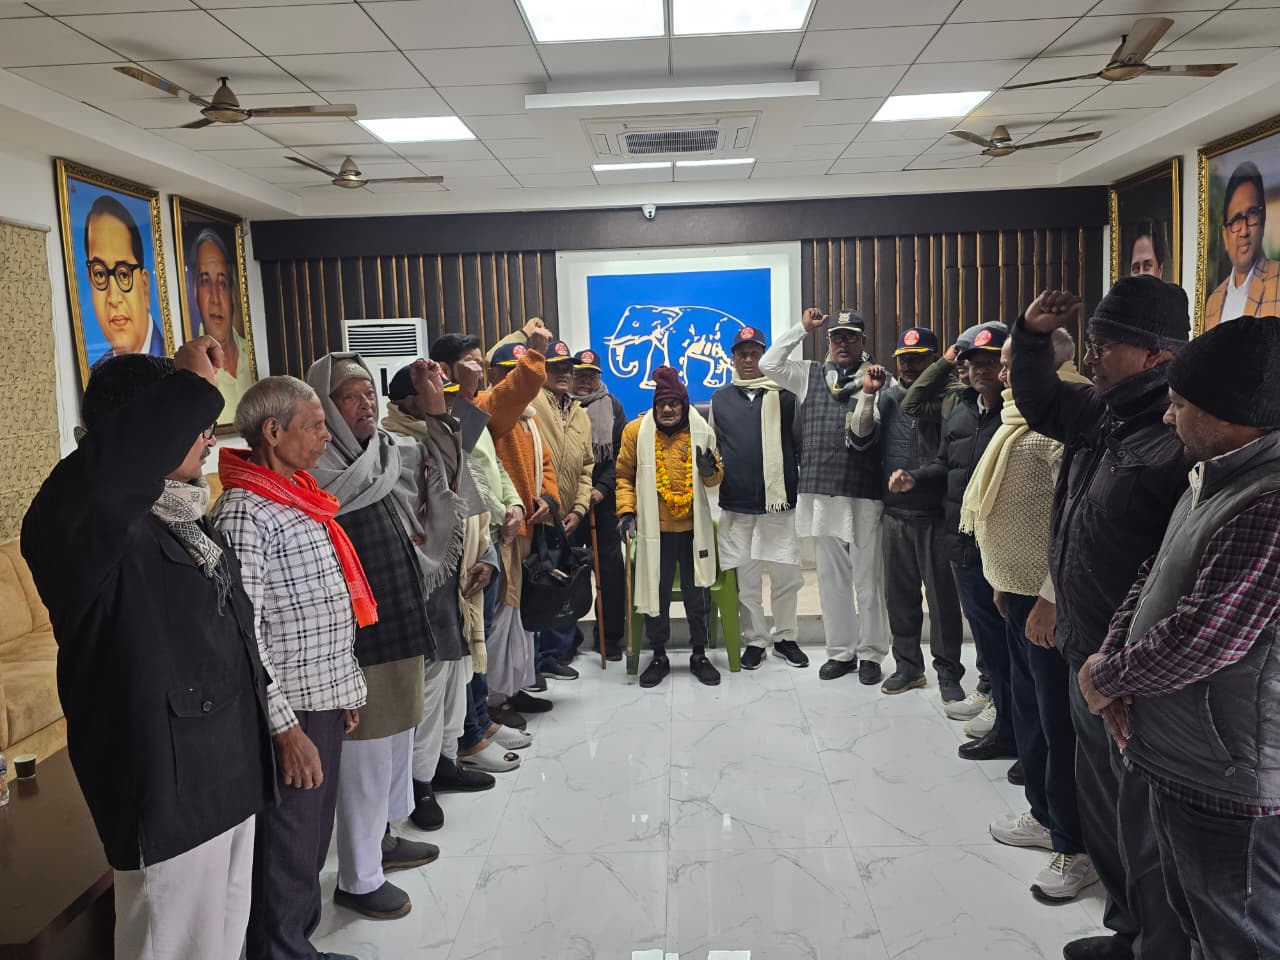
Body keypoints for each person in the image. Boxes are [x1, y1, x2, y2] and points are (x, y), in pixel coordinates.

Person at [20, 339, 275, 960]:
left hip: (225, 767)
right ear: (137, 425)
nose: (207, 435)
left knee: (223, 938)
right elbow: (105, 486)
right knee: (174, 943)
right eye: (192, 417)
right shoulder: (81, 523)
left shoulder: (182, 515)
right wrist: (188, 387)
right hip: (167, 785)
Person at [1080, 316, 1280, 960]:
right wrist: (1110, 656)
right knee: (1195, 923)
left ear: (1233, 414)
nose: (1168, 418)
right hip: (1183, 752)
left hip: (1229, 776)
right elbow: (1154, 574)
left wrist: (1105, 678)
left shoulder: (1267, 503)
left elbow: (1205, 637)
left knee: (1238, 937)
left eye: (1179, 405)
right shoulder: (1218, 477)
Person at [1012, 276, 1191, 960]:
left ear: (1155, 355)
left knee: (1146, 826)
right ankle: (1129, 934)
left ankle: (1158, 946)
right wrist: (1032, 339)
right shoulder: (1102, 411)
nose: (1090, 357)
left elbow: (1179, 573)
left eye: (1104, 345)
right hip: (1085, 650)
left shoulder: (1181, 436)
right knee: (1106, 811)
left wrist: (1127, 666)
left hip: (1137, 673)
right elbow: (1039, 401)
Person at [212, 376, 370, 960]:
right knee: (288, 847)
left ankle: (298, 944)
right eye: (316, 425)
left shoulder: (297, 496)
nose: (328, 434)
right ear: (273, 432)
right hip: (291, 711)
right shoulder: (245, 514)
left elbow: (322, 602)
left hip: (320, 698)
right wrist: (285, 729)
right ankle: (281, 951)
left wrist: (345, 688)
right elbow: (246, 634)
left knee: (310, 842)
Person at [304, 354, 453, 921]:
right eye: (349, 396)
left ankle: (384, 839)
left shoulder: (387, 453)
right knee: (365, 753)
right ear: (324, 407)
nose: (365, 404)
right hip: (356, 636)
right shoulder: (315, 473)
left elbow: (447, 472)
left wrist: (437, 409)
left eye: (369, 393)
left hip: (398, 617)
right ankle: (359, 877)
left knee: (396, 738)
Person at [961, 336, 1096, 903]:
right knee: (1029, 712)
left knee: (1056, 724)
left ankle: (1075, 846)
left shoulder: (1060, 426)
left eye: (1012, 363)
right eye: (1003, 364)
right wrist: (1003, 579)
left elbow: (1076, 522)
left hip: (1048, 599)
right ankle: (1043, 816)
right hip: (1015, 591)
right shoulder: (1017, 419)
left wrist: (1048, 595)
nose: (1003, 372)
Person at [890, 322, 1015, 762]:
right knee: (982, 626)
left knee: (1005, 632)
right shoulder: (961, 411)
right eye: (973, 362)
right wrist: (914, 477)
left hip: (1002, 540)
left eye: (990, 362)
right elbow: (945, 463)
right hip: (962, 537)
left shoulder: (1018, 415)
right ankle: (994, 695)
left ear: (1007, 366)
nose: (980, 370)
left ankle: (1007, 713)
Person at [760, 307, 890, 683]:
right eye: (836, 337)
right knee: (832, 580)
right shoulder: (808, 374)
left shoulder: (880, 379)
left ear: (863, 341)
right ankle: (841, 652)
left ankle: (871, 655)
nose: (842, 343)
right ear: (828, 341)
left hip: (863, 492)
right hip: (821, 492)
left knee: (868, 580)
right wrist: (802, 328)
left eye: (850, 337)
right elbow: (769, 363)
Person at [853, 326, 965, 700]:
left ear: (934, 360)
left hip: (936, 515)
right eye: (903, 359)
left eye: (917, 359)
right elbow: (861, 441)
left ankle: (948, 672)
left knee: (943, 602)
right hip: (895, 515)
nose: (908, 366)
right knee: (900, 599)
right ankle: (908, 668)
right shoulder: (886, 399)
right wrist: (868, 396)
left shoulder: (952, 400)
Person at [427, 335, 530, 733]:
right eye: (469, 363)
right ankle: (469, 731)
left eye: (479, 363)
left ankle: (481, 722)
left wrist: (515, 505)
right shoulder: (436, 419)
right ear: (444, 370)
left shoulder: (470, 408)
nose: (478, 371)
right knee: (471, 638)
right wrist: (463, 392)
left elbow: (494, 467)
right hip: (463, 543)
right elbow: (457, 455)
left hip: (490, 534)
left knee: (482, 633)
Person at [616, 366, 724, 687]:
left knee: (698, 594)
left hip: (694, 531)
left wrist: (710, 470)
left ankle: (699, 654)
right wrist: (626, 512)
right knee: (656, 595)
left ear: (684, 404)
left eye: (673, 403)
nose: (666, 409)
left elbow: (715, 479)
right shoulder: (635, 432)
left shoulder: (701, 431)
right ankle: (659, 655)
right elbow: (624, 476)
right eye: (661, 403)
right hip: (655, 534)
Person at [709, 325, 807, 671]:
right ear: (733, 359)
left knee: (786, 577)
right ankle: (755, 640)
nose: (748, 359)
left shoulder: (786, 396)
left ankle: (785, 638)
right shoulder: (720, 400)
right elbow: (714, 450)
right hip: (737, 505)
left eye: (755, 353)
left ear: (764, 356)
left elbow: (799, 446)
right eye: (742, 354)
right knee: (747, 581)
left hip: (779, 505)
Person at [477, 321, 559, 717]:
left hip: (531, 528)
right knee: (503, 615)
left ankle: (517, 686)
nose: (516, 378)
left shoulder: (530, 418)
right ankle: (495, 698)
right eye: (508, 371)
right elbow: (514, 392)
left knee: (524, 616)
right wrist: (534, 352)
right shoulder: (486, 407)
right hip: (505, 532)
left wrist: (549, 499)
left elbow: (547, 465)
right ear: (494, 375)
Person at [570, 348, 628, 661]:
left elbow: (620, 455)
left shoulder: (613, 406)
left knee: (610, 574)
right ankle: (567, 639)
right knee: (568, 572)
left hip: (602, 505)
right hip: (568, 505)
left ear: (599, 378)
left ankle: (610, 637)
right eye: (579, 374)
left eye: (591, 376)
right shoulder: (560, 406)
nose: (585, 381)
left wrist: (601, 489)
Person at [83, 195, 164, 365]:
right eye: (100, 274)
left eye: (124, 275)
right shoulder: (97, 373)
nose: (113, 298)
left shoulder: (173, 366)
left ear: (145, 285)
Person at [1204, 161, 1280, 328]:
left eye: (1252, 214)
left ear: (1262, 221)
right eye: (1236, 220)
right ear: (1225, 235)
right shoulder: (1213, 303)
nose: (1244, 231)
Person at [191, 227, 254, 413]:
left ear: (233, 294)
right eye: (205, 281)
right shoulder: (192, 371)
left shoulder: (250, 356)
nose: (216, 298)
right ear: (195, 293)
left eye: (222, 283)